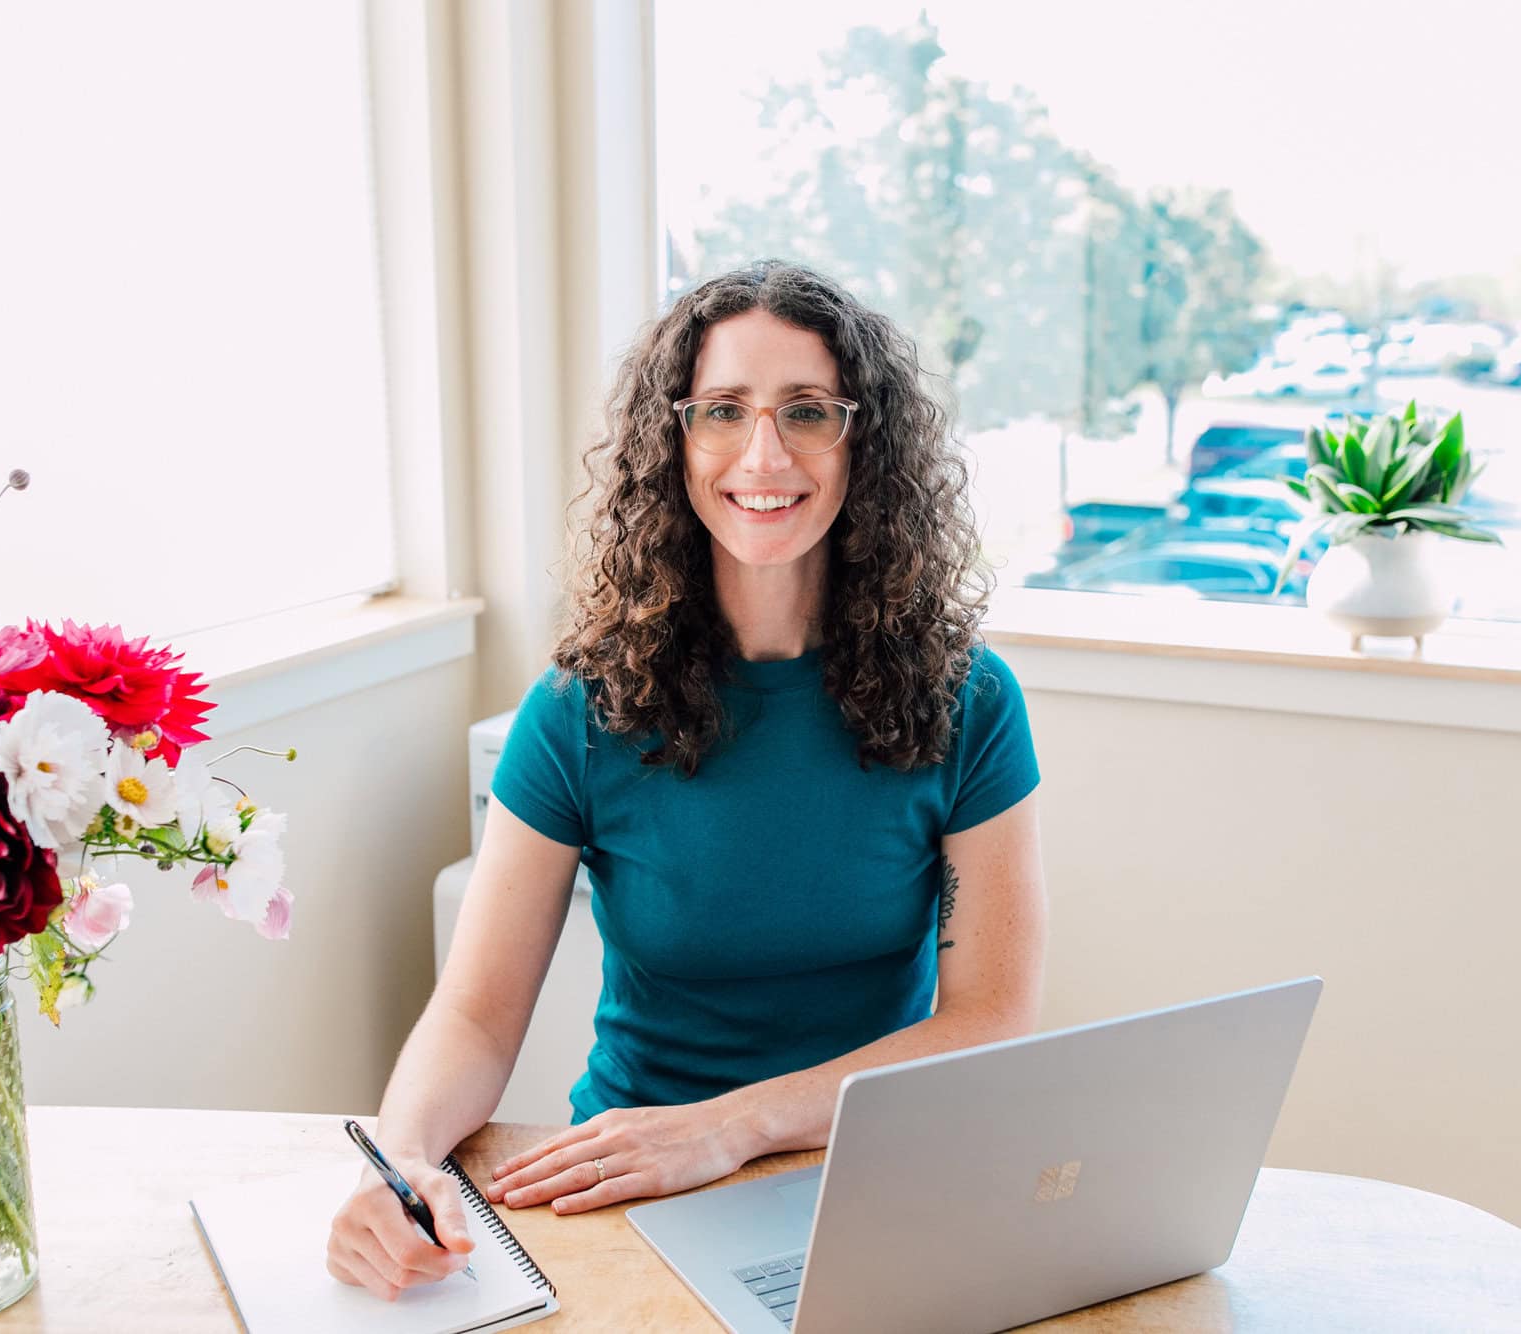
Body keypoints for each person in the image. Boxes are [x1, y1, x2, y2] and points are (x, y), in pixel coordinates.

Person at [326, 260, 1046, 1300]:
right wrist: (397, 1163)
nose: (763, 453)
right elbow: (476, 1014)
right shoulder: (576, 712)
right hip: (629, 1186)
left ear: (864, 442)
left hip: (869, 1175)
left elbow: (987, 1017)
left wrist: (733, 1124)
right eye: (722, 410)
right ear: (675, 438)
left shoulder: (969, 698)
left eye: (807, 410)